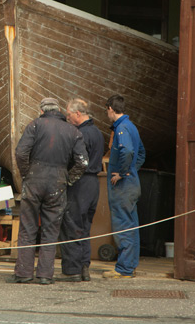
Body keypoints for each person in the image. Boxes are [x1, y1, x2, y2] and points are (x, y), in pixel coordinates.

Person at [8, 98, 89, 285]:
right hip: (58, 183)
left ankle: (24, 273)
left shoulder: (35, 125)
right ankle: (45, 275)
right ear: (59, 110)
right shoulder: (73, 131)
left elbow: (21, 152)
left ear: (42, 109)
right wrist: (69, 178)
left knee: (28, 227)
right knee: (51, 230)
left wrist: (27, 173)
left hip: (34, 180)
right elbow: (83, 162)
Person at [57, 98, 105, 282]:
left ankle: (72, 270)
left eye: (69, 115)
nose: (67, 118)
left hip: (81, 183)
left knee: (72, 225)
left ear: (78, 114)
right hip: (94, 184)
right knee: (84, 227)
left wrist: (68, 179)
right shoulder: (98, 133)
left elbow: (78, 162)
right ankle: (84, 267)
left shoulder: (80, 134)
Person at [102, 94, 146, 279]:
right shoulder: (132, 127)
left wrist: (123, 173)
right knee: (131, 225)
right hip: (131, 184)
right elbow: (141, 153)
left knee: (123, 225)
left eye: (106, 110)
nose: (107, 113)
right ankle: (130, 266)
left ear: (111, 108)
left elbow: (127, 151)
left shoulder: (122, 128)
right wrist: (132, 171)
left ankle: (124, 269)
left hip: (123, 187)